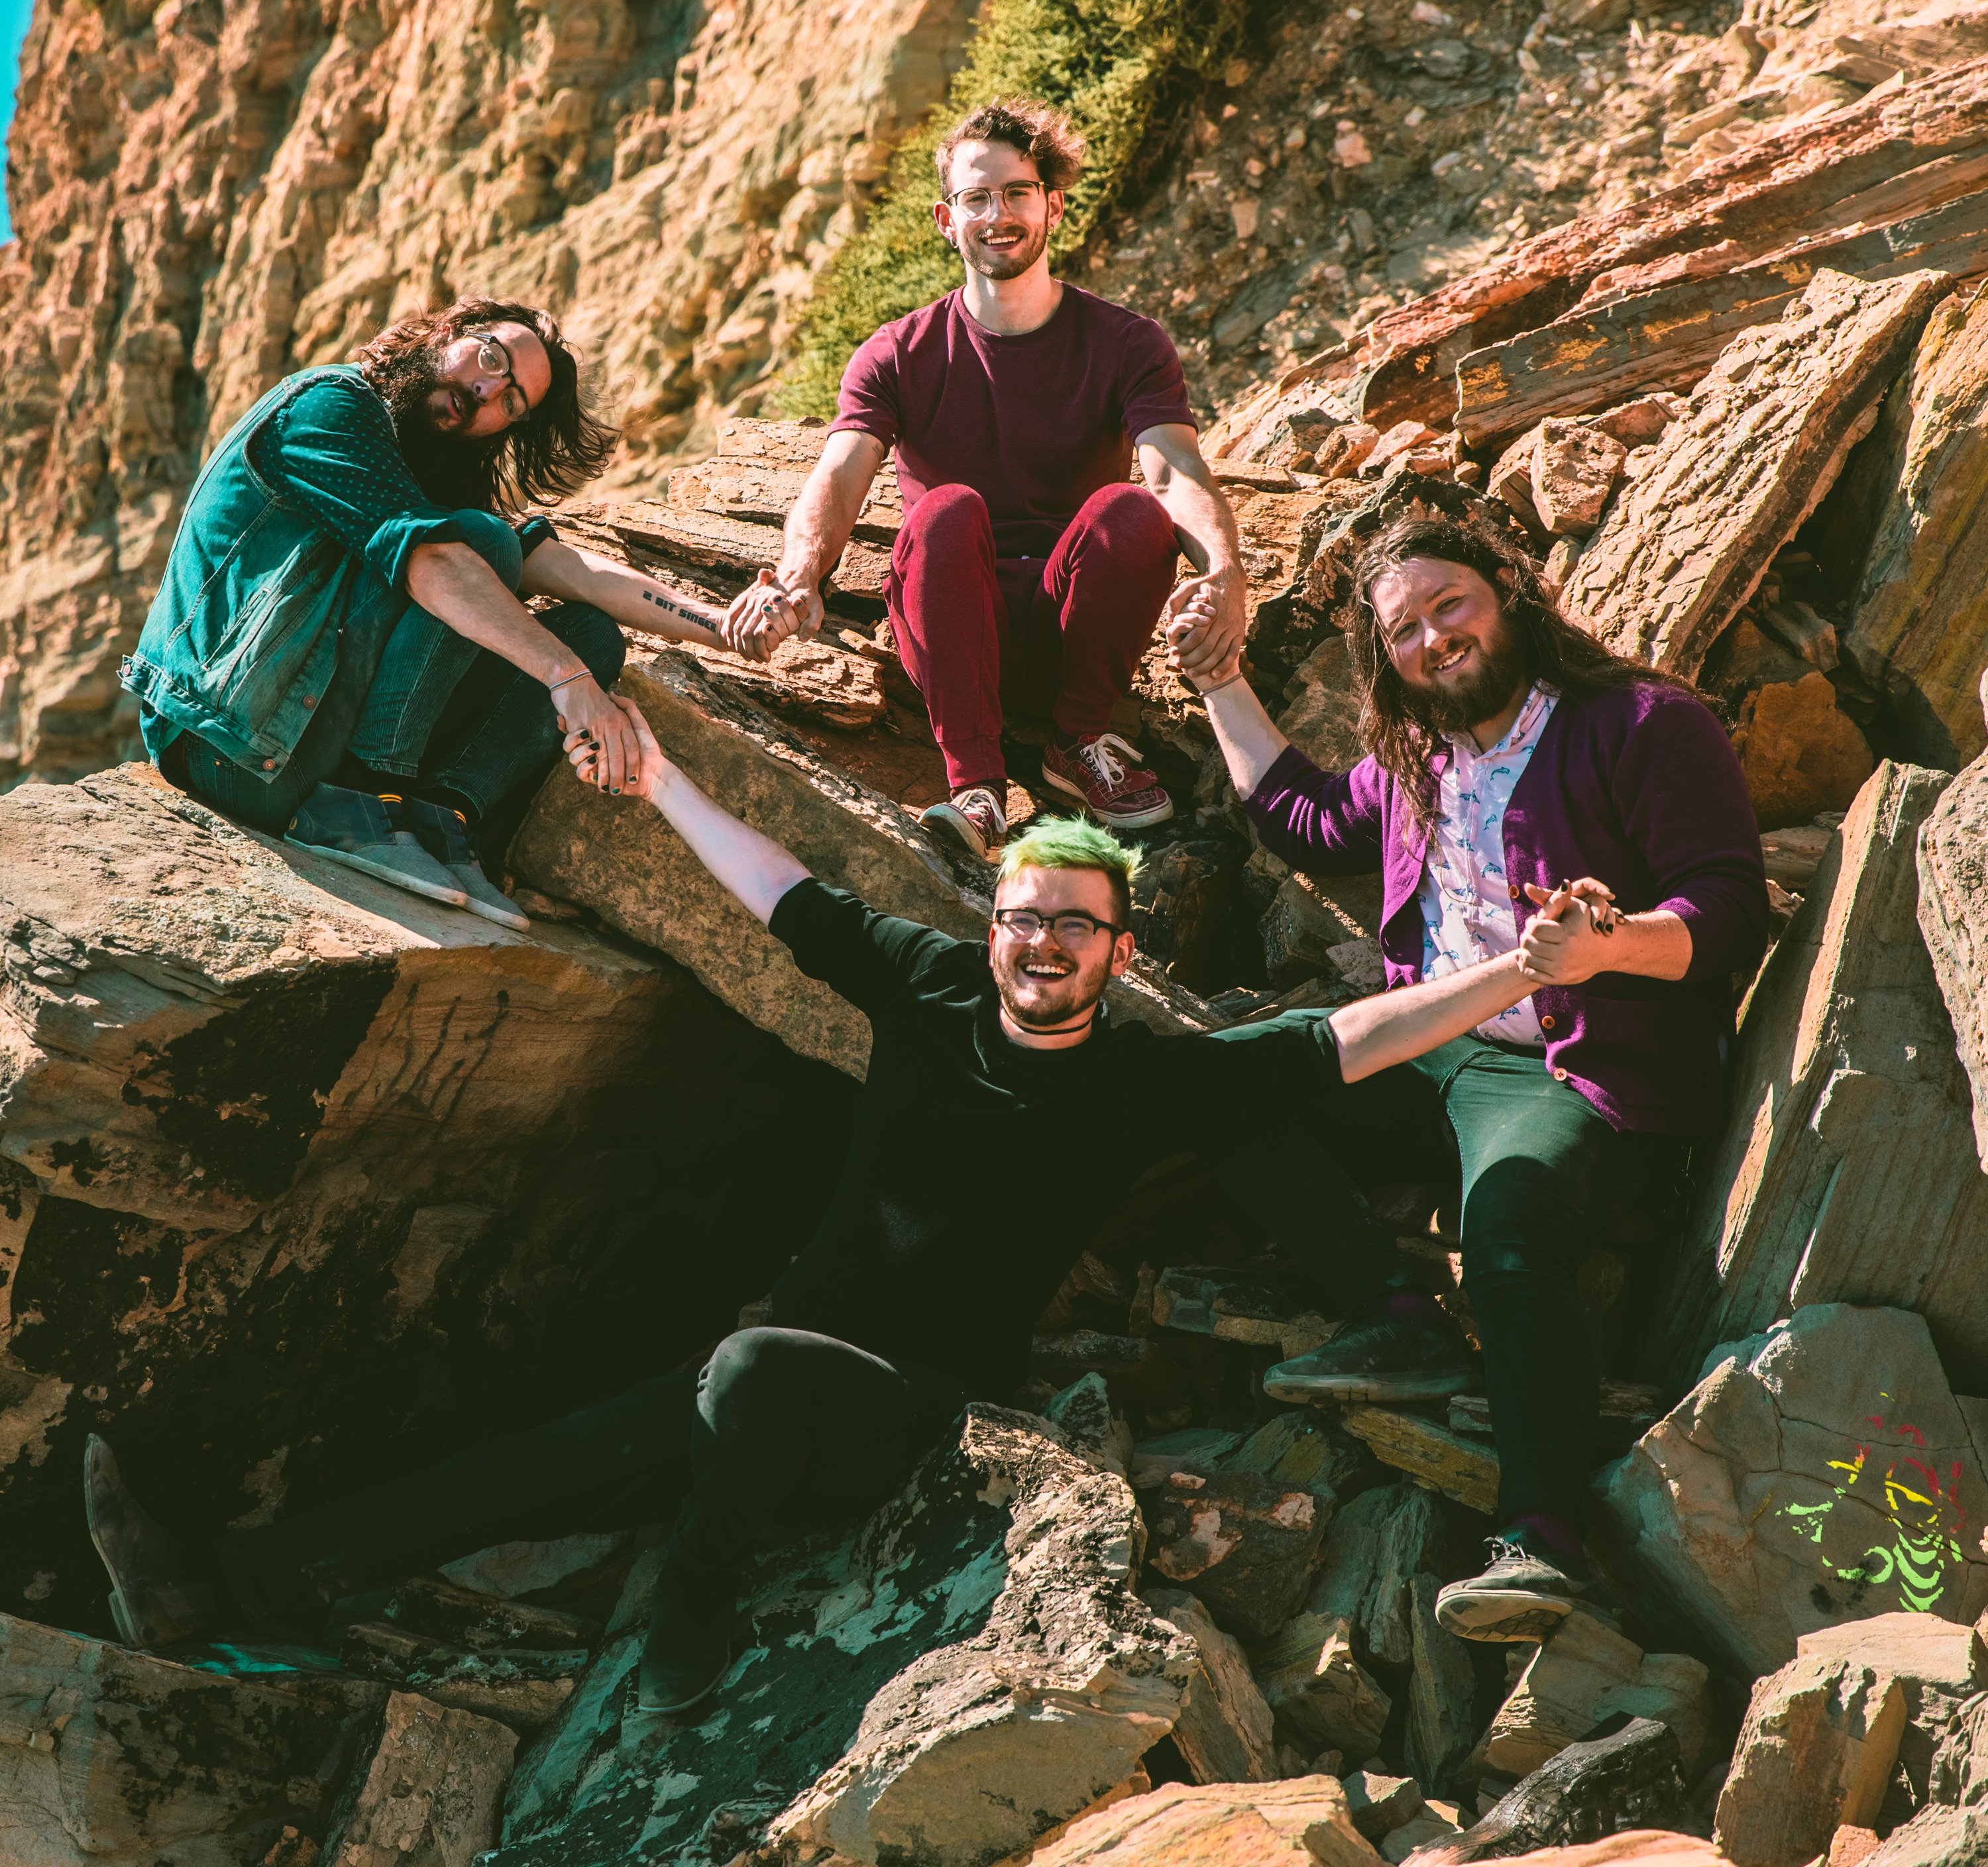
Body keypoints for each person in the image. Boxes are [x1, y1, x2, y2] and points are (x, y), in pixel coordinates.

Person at [83, 696, 1610, 1717]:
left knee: (744, 1371)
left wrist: (1519, 974)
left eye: (1074, 928)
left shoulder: (1144, 1080)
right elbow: (780, 892)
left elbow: (1336, 1043)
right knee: (553, 1452)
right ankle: (225, 1582)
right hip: (771, 1372)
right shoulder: (934, 984)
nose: (1039, 946)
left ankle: (682, 1615)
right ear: (994, 922)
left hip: (912, 1411)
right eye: (1021, 918)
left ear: (1111, 943)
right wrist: (661, 778)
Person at [1169, 513, 1770, 1644]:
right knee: (1220, 1084)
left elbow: (1729, 910)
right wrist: (1219, 680)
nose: (1435, 639)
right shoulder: (1418, 758)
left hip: (1562, 1068)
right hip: (1423, 1042)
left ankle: (1539, 1540)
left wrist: (1609, 946)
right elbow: (1302, 816)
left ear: (1510, 591)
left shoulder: (1641, 724)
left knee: (1510, 1231)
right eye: (1404, 630)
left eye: (1452, 605)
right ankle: (1396, 1317)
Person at [718, 96, 1247, 859]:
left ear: (1053, 206)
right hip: (953, 630)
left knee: (1129, 509)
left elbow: (1175, 469)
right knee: (944, 511)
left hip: (1079, 629)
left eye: (1016, 193)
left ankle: (1077, 745)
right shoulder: (897, 353)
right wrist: (797, 578)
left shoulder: (1126, 342)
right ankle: (977, 786)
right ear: (946, 219)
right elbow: (838, 476)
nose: (997, 214)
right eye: (976, 198)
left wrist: (1225, 571)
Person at [121, 296, 728, 928]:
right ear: (449, 331)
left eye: (510, 403)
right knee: (479, 554)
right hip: (229, 745)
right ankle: (360, 798)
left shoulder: (426, 468)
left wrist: (725, 627)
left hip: (304, 739)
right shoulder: (328, 405)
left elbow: (568, 571)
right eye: (490, 358)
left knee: (589, 634)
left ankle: (437, 823)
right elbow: (439, 565)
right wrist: (564, 678)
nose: (487, 390)